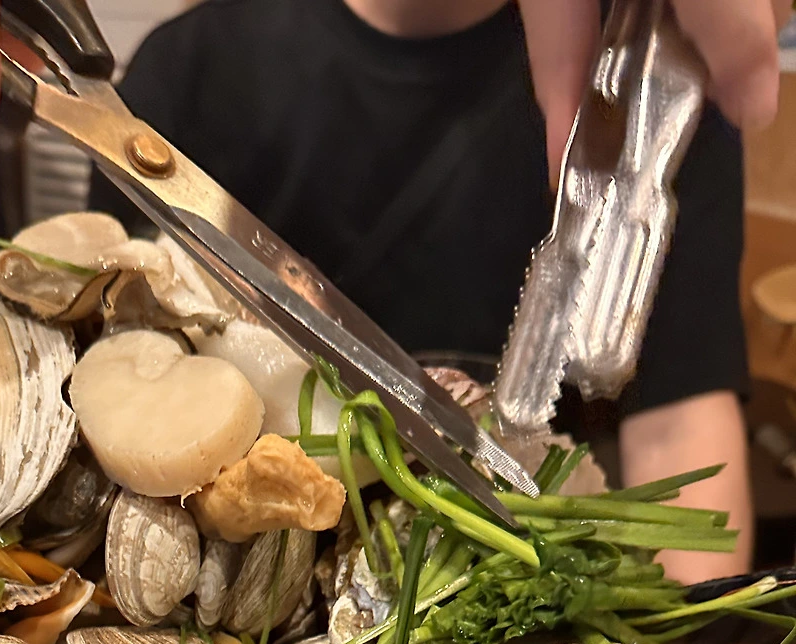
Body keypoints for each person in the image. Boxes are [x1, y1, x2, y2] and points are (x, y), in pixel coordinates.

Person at [79, 0, 795, 582]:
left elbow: (680, 433)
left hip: (542, 576)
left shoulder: (646, 85)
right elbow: (117, 384)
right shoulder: (189, 72)